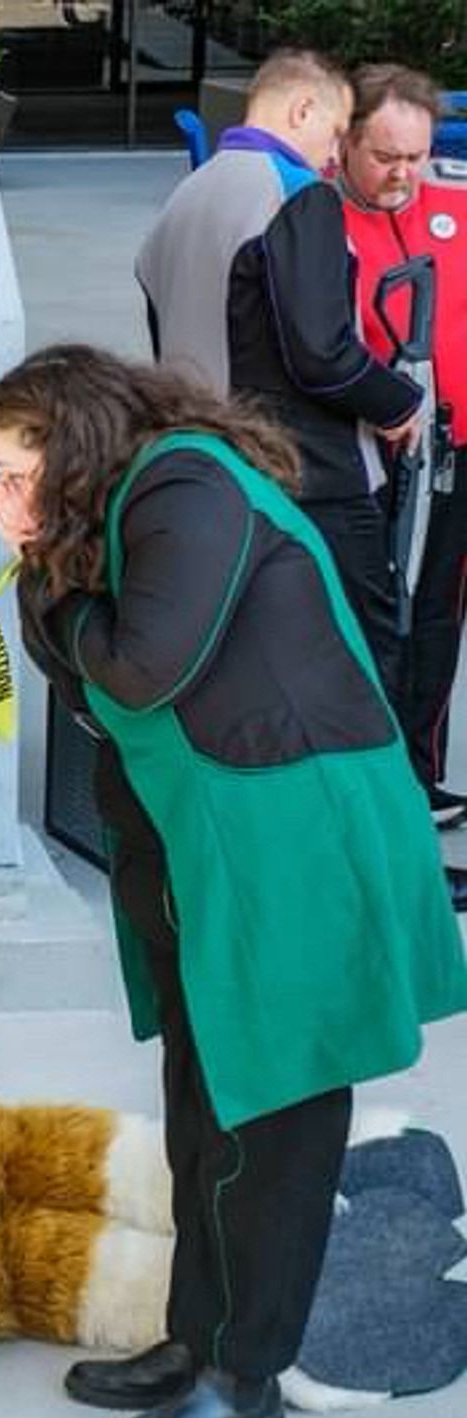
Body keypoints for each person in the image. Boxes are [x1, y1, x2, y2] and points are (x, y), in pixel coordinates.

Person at [0, 344, 467, 1418]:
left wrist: (46, 567)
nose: (3, 497)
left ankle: (241, 1374)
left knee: (272, 1113)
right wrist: (55, 577)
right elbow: (83, 672)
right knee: (202, 1102)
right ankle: (193, 1336)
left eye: (14, 471)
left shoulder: (182, 487)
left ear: (75, 448)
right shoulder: (124, 512)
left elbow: (137, 670)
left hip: (290, 831)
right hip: (216, 834)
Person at [136, 49, 424, 715]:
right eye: (335, 132)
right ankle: (376, 815)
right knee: (360, 655)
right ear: (302, 110)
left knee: (251, 666)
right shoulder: (296, 193)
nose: (332, 156)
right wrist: (398, 402)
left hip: (206, 470)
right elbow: (322, 351)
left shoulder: (187, 196)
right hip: (309, 473)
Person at [340, 65, 467, 842]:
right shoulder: (318, 220)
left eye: (414, 156)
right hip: (378, 458)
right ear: (349, 142)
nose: (401, 174)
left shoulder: (455, 209)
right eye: (386, 155)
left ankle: (419, 775)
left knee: (438, 623)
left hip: (460, 453)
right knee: (387, 618)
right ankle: (383, 782)